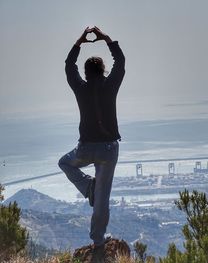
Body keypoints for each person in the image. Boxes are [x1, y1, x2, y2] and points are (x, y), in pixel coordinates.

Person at [58, 26, 125, 262]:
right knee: (102, 197)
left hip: (85, 148)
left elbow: (69, 66)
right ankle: (98, 240)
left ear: (86, 73)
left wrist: (79, 42)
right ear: (103, 70)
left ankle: (88, 188)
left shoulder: (80, 88)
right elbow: (121, 61)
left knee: (65, 163)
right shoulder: (111, 86)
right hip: (109, 149)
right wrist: (106, 37)